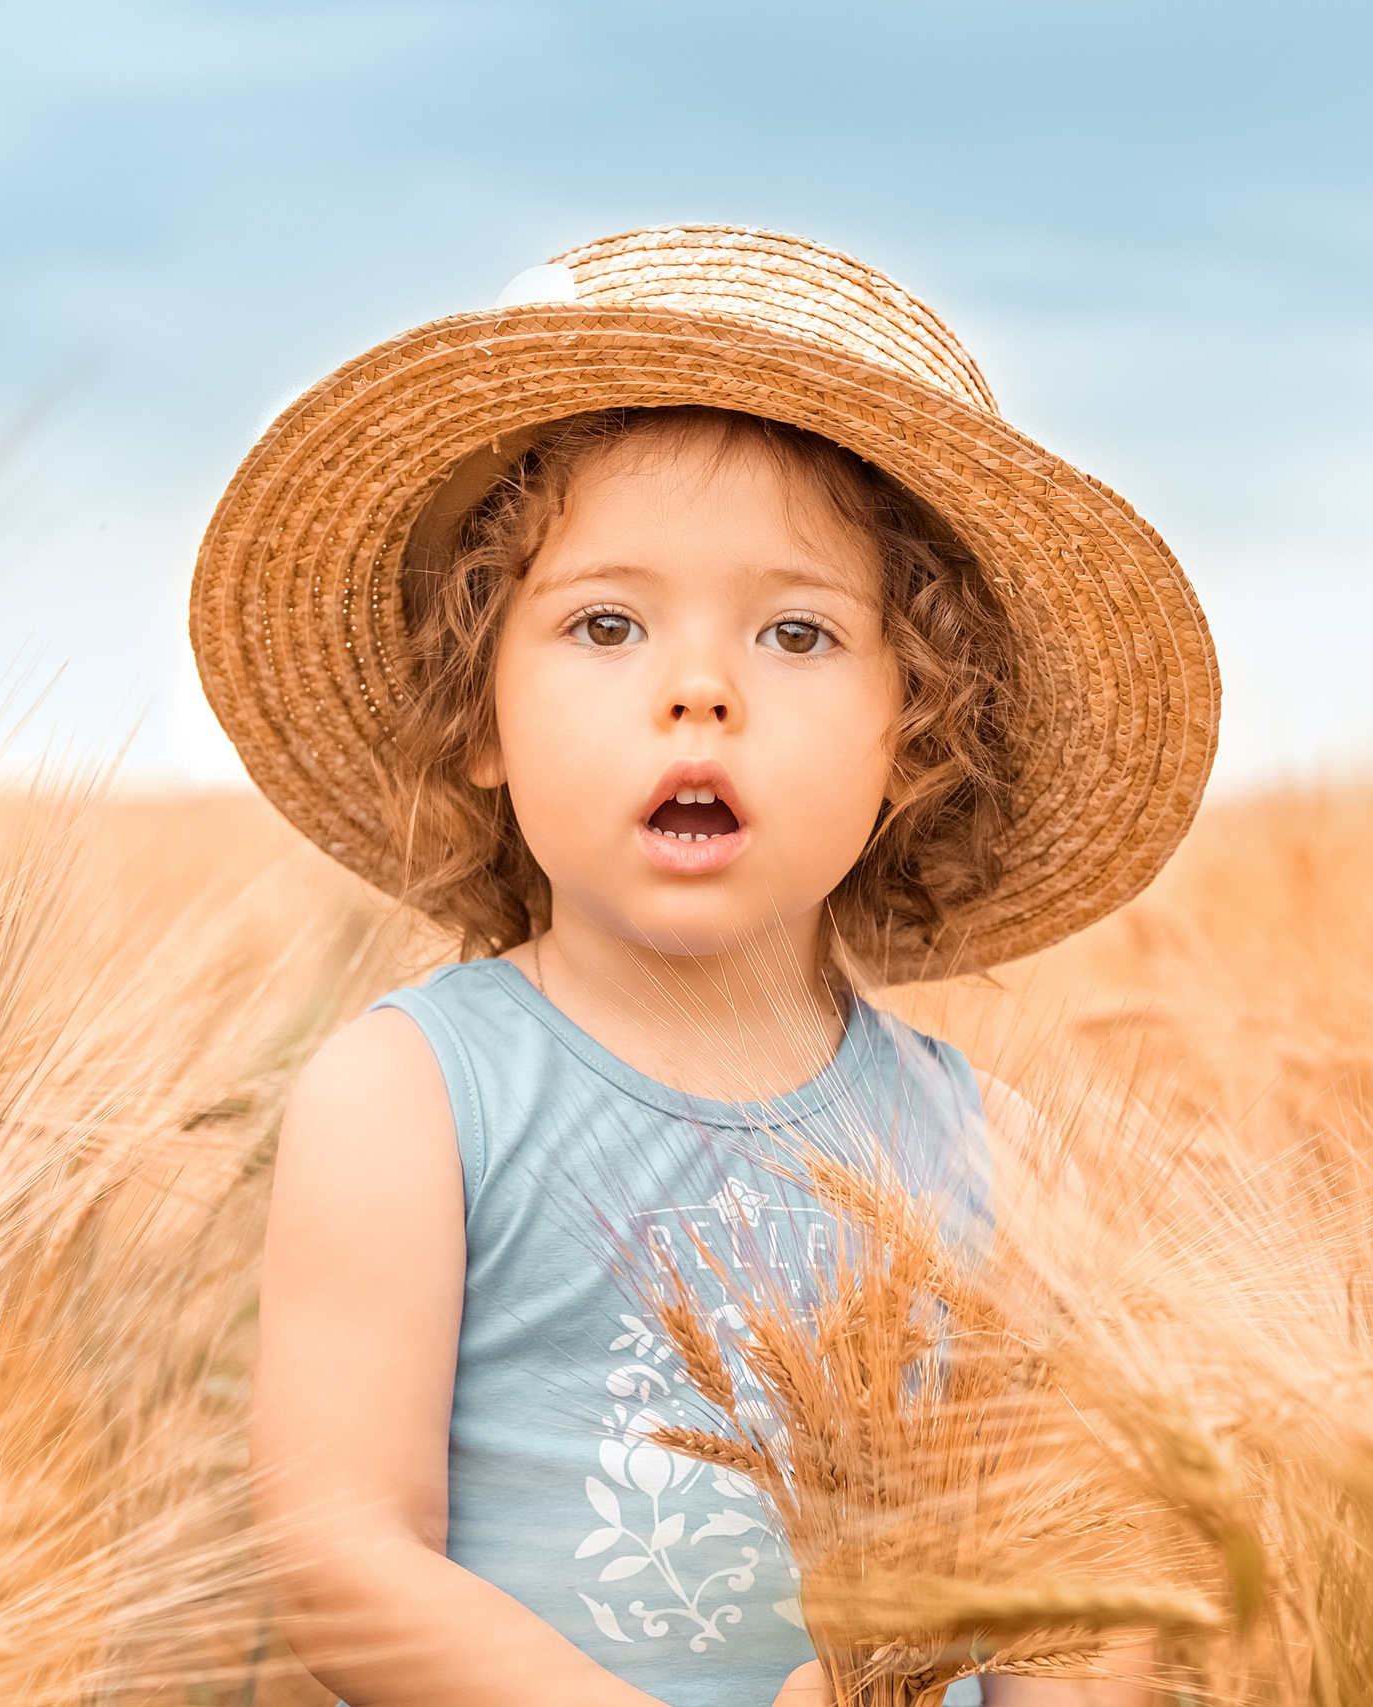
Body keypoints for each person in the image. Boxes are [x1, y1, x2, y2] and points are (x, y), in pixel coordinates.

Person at [197, 227, 1218, 1707]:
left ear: (913, 741)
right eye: (605, 623)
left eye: (797, 632)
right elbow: (341, 1558)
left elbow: (1080, 1582)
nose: (701, 690)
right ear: (480, 720)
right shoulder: (412, 1096)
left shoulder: (1002, 1153)